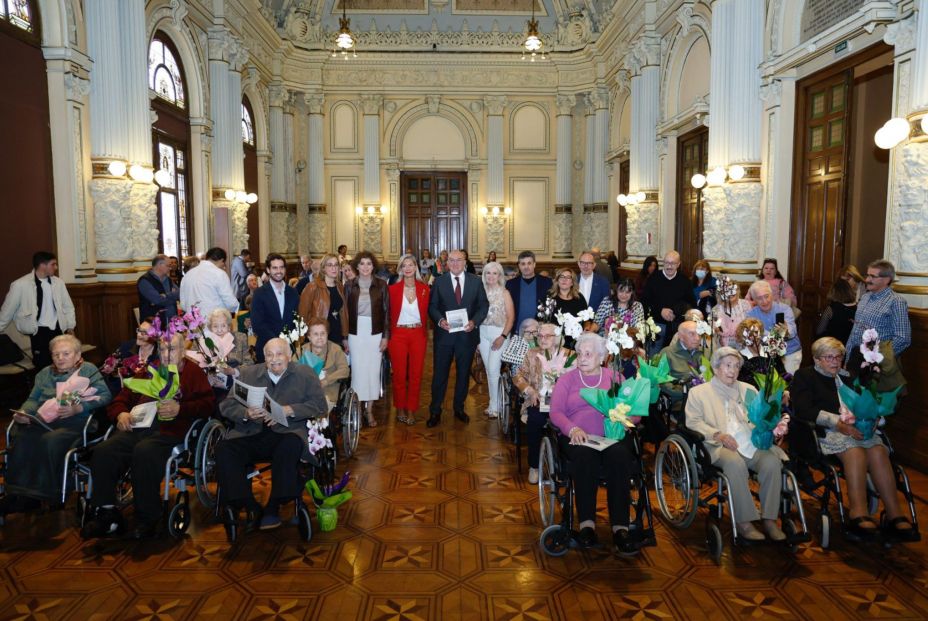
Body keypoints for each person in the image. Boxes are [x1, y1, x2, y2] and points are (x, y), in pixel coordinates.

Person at [81, 331, 214, 540]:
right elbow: (120, 399)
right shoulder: (149, 371)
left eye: (172, 349)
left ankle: (148, 517)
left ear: (182, 351)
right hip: (136, 427)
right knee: (104, 451)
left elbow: (208, 405)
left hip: (168, 431)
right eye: (162, 349)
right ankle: (107, 514)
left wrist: (181, 408)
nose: (166, 353)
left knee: (144, 452)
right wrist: (121, 413)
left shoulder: (192, 372)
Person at [789, 337, 917, 541]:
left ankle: (895, 514)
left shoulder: (849, 376)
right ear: (817, 359)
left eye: (838, 357)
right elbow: (803, 409)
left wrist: (875, 419)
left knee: (878, 450)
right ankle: (857, 512)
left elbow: (867, 402)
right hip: (829, 432)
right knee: (856, 452)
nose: (834, 361)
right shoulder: (805, 376)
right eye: (828, 357)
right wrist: (837, 423)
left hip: (859, 430)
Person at [216, 337, 328, 531]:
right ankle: (248, 504)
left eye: (279, 354)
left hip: (287, 431)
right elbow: (226, 405)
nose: (274, 359)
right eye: (269, 355)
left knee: (290, 446)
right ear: (264, 357)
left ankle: (274, 504)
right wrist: (245, 413)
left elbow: (320, 406)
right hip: (251, 432)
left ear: (289, 356)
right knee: (224, 450)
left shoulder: (305, 374)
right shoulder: (249, 373)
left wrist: (290, 410)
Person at [0, 335, 111, 516]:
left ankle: (45, 493)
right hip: (43, 421)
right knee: (22, 439)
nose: (60, 358)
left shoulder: (88, 370)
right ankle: (17, 493)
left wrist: (79, 408)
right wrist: (23, 413)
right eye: (56, 354)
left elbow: (105, 396)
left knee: (50, 441)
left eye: (66, 353)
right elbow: (32, 400)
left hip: (74, 423)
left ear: (77, 355)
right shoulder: (44, 374)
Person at [548, 332, 638, 553]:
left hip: (611, 437)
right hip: (579, 438)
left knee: (619, 457)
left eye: (588, 354)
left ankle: (620, 528)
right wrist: (572, 429)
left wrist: (627, 420)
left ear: (602, 357)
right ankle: (586, 525)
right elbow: (556, 412)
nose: (582, 358)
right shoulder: (567, 380)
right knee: (584, 458)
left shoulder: (615, 377)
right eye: (579, 353)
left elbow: (635, 409)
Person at [685, 347, 787, 541]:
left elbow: (760, 417)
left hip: (749, 442)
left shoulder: (748, 389)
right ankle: (744, 522)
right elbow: (694, 422)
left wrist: (770, 427)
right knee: (734, 463)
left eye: (736, 366)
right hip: (718, 444)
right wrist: (718, 435)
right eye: (727, 365)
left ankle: (769, 519)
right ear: (716, 368)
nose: (732, 370)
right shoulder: (699, 393)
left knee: (771, 463)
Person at [427, 249, 490, 427]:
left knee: (463, 375)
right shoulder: (439, 282)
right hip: (444, 337)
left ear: (465, 262)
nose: (455, 263)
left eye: (458, 260)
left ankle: (459, 408)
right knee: (440, 375)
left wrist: (474, 322)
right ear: (447, 263)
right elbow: (432, 306)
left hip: (467, 336)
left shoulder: (476, 282)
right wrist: (439, 321)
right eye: (451, 260)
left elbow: (483, 305)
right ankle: (435, 411)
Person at [513, 322, 574, 485]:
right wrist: (530, 391)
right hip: (538, 401)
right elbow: (518, 376)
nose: (542, 339)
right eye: (540, 336)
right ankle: (534, 466)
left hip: (564, 404)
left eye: (547, 336)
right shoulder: (531, 354)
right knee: (535, 421)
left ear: (557, 338)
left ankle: (564, 466)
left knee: (567, 425)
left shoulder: (570, 355)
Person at [0, 251, 76, 370]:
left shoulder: (58, 283)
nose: (56, 267)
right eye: (53, 264)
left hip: (58, 330)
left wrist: (70, 326)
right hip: (38, 332)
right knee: (43, 368)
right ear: (42, 265)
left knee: (63, 366)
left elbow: (68, 306)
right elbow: (6, 312)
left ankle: (63, 388)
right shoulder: (20, 285)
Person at [344, 251, 390, 427]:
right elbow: (345, 313)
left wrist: (386, 336)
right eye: (362, 263)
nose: (365, 267)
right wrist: (345, 337)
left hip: (375, 332)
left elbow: (387, 313)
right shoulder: (349, 285)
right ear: (357, 266)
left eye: (368, 264)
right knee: (357, 371)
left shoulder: (381, 285)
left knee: (372, 371)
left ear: (373, 266)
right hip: (355, 333)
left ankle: (369, 410)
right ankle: (356, 408)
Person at [387, 254, 430, 426]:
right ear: (400, 269)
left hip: (418, 334)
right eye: (404, 265)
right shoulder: (392, 290)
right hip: (398, 335)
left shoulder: (425, 289)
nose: (408, 268)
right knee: (399, 374)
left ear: (416, 267)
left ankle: (412, 408)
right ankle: (400, 407)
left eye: (411, 264)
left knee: (416, 374)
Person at [845, 259, 911, 365]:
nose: (867, 279)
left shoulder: (896, 301)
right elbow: (855, 331)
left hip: (876, 367)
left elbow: (903, 339)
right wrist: (847, 356)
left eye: (873, 276)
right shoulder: (865, 297)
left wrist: (876, 358)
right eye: (868, 275)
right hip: (854, 359)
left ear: (886, 280)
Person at [478, 261, 515, 420]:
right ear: (484, 275)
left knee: (493, 369)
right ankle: (493, 403)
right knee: (488, 370)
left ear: (499, 276)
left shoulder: (504, 293)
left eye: (494, 273)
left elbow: (511, 317)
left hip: (499, 334)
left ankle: (497, 407)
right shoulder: (480, 291)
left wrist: (503, 336)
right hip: (482, 333)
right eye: (488, 273)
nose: (491, 276)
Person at [641, 250, 695, 353]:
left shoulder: (684, 281)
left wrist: (677, 313)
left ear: (678, 264)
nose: (669, 266)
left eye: (673, 263)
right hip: (656, 326)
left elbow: (691, 304)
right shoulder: (653, 278)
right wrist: (660, 311)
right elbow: (644, 302)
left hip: (677, 328)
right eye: (667, 263)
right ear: (663, 263)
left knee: (673, 362)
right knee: (653, 361)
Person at [250, 254, 299, 363]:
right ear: (268, 270)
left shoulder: (293, 292)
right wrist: (277, 341)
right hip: (267, 348)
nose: (279, 271)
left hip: (288, 348)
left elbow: (296, 319)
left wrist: (287, 340)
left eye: (281, 267)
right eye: (275, 268)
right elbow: (257, 324)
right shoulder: (259, 293)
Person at [746, 280, 802, 374]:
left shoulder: (785, 309)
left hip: (790, 353)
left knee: (788, 383)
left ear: (772, 295)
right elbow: (755, 337)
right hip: (766, 355)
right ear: (754, 300)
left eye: (766, 296)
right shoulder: (751, 315)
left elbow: (792, 332)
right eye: (759, 298)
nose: (764, 301)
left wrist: (786, 331)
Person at [191, 308, 251, 393]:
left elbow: (249, 363)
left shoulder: (240, 338)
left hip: (234, 383)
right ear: (210, 328)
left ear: (229, 327)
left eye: (223, 325)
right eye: (215, 326)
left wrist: (234, 371)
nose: (219, 330)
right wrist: (207, 376)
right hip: (210, 385)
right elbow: (193, 365)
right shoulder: (202, 341)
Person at [299, 253, 349, 348]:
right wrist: (307, 337)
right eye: (330, 265)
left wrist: (345, 337)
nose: (334, 268)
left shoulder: (340, 287)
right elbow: (302, 315)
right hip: (319, 337)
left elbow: (343, 314)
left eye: (336, 265)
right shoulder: (312, 287)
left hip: (337, 336)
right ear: (323, 268)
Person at [102, 317, 160, 397]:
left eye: (144, 333)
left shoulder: (159, 354)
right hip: (123, 395)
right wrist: (112, 372)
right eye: (139, 330)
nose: (139, 335)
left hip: (146, 396)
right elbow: (110, 375)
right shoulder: (126, 347)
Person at [300, 318, 349, 408]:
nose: (320, 337)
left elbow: (344, 370)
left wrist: (327, 380)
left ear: (327, 334)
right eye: (315, 334)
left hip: (328, 392)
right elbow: (292, 369)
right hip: (305, 393)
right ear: (309, 337)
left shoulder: (335, 349)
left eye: (323, 333)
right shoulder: (302, 351)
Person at [179, 247, 239, 317]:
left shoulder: (187, 275)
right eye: (224, 264)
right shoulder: (219, 274)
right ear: (222, 260)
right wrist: (237, 309)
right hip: (214, 322)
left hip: (193, 323)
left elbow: (183, 305)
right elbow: (231, 303)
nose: (224, 266)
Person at [656, 320, 705, 402]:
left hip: (702, 399)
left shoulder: (701, 354)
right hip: (680, 402)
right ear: (681, 337)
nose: (697, 338)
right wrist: (685, 393)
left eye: (699, 334)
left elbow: (709, 377)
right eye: (692, 334)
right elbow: (662, 381)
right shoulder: (667, 353)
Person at [506, 250, 553, 329]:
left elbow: (550, 306)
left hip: (539, 331)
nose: (526, 267)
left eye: (529, 263)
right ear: (519, 265)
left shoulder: (546, 282)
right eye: (523, 264)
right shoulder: (511, 284)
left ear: (534, 264)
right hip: (517, 329)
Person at [734, 318, 785, 388]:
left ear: (760, 333)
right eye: (749, 334)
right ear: (743, 337)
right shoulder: (739, 358)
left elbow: (783, 374)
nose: (753, 337)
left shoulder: (771, 353)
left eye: (755, 332)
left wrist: (786, 390)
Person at [547, 268, 588, 349]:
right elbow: (541, 319)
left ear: (572, 282)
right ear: (557, 280)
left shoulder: (579, 298)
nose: (564, 280)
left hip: (574, 342)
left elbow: (586, 319)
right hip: (553, 341)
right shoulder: (549, 297)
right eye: (561, 277)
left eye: (568, 277)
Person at [137, 254, 180, 323]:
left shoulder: (168, 279)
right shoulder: (145, 281)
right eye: (168, 265)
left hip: (172, 323)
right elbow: (158, 301)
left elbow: (179, 293)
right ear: (160, 265)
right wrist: (173, 297)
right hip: (154, 325)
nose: (170, 268)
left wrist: (166, 295)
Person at [711, 276, 751, 348]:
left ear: (738, 290)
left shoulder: (745, 304)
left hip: (745, 343)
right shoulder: (716, 309)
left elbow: (750, 324)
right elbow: (719, 330)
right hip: (724, 345)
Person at [815, 278, 857, 345]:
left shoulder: (831, 308)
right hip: (848, 347)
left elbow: (819, 331)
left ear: (834, 292)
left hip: (832, 346)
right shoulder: (856, 308)